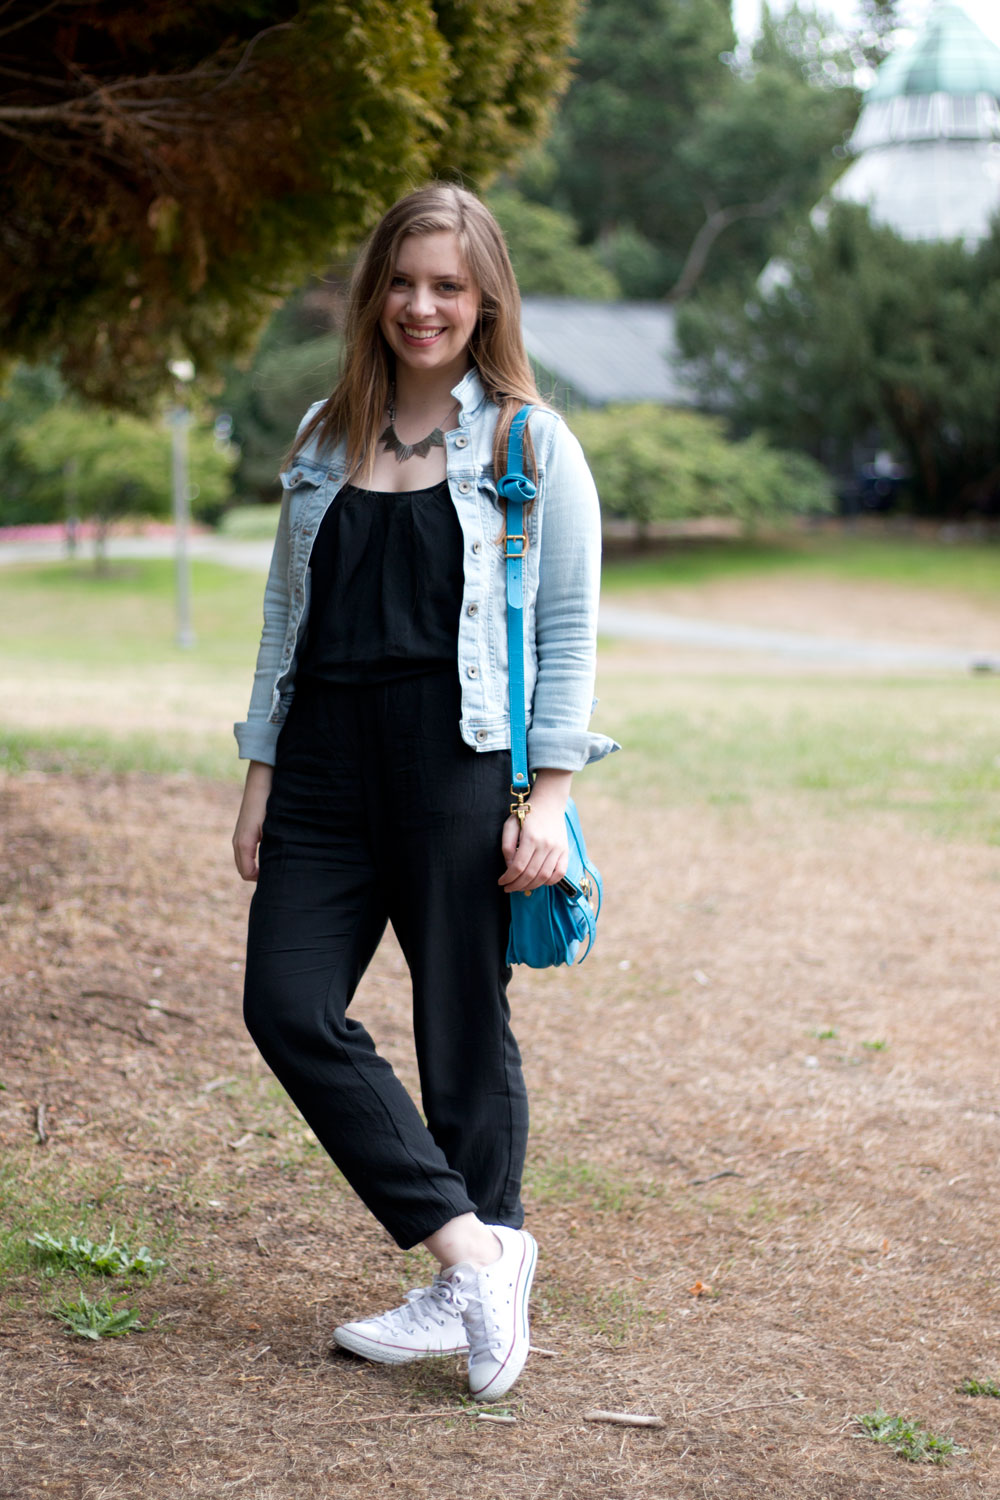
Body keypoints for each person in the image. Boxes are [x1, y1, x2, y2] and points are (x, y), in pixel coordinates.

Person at [231, 184, 616, 1403]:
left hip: (457, 757)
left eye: (448, 284)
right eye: (403, 280)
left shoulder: (524, 442)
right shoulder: (321, 434)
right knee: (286, 1005)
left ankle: (471, 1281)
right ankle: (478, 1253)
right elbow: (283, 619)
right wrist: (260, 772)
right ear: (373, 292)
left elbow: (567, 626)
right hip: (323, 768)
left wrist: (547, 797)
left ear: (485, 296)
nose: (421, 305)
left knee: (461, 1028)